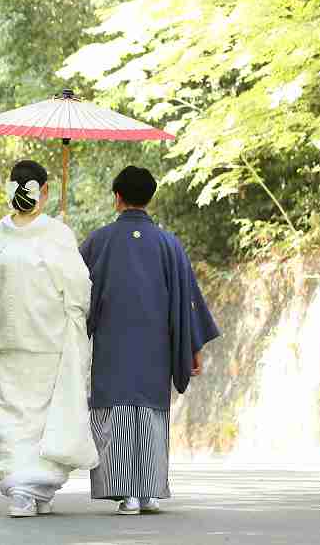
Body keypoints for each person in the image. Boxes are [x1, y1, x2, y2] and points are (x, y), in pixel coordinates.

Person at [79, 165, 221, 516]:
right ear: (149, 198)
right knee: (150, 412)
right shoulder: (169, 243)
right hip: (155, 348)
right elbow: (187, 301)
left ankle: (126, 494)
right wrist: (192, 347)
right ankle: (150, 491)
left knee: (117, 411)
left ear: (117, 198)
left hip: (113, 347)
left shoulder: (98, 241)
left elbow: (77, 294)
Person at [0, 160, 99, 518]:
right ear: (44, 191)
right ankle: (27, 489)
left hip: (9, 337)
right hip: (48, 337)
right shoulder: (57, 234)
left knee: (13, 416)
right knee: (46, 417)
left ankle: (31, 490)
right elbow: (78, 287)